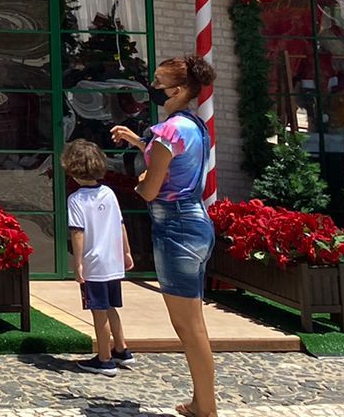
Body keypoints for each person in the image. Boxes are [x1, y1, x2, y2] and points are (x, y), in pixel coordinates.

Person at [111, 55, 218, 417]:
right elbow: (174, 160)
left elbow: (150, 188)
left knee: (189, 328)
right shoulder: (194, 125)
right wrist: (141, 144)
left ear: (178, 89)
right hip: (197, 223)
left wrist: (140, 180)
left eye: (158, 83)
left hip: (175, 228)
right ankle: (201, 402)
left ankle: (208, 408)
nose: (154, 89)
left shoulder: (167, 130)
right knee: (194, 323)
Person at [64, 138, 135, 375]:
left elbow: (78, 234)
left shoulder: (76, 200)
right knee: (111, 306)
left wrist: (78, 263)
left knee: (98, 310)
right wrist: (126, 251)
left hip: (94, 263)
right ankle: (121, 348)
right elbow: (121, 224)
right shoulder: (109, 193)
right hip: (113, 260)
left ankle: (104, 358)